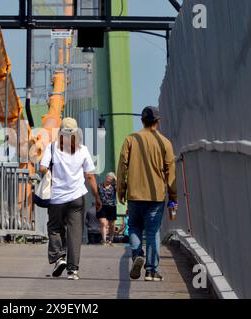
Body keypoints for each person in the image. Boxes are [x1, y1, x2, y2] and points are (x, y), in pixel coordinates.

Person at [116, 106, 178, 282]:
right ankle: (151, 271)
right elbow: (170, 173)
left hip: (135, 194)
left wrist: (121, 190)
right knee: (152, 232)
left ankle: (137, 255)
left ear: (142, 120)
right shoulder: (165, 143)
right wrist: (173, 197)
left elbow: (122, 167)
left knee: (134, 227)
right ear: (158, 121)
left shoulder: (131, 140)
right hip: (156, 196)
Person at [40, 118, 102, 280]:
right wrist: (97, 197)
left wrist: (50, 172)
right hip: (77, 198)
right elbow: (90, 176)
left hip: (56, 198)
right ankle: (72, 270)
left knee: (54, 228)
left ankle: (59, 257)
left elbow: (42, 168)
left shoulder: (52, 147)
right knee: (75, 233)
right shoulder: (83, 150)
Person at [96, 172, 117, 245]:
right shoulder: (99, 185)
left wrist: (115, 178)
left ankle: (111, 239)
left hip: (112, 206)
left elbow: (120, 186)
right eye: (108, 178)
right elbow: (96, 195)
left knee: (111, 224)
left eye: (110, 179)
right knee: (103, 223)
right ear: (106, 177)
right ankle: (104, 240)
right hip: (102, 206)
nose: (108, 180)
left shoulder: (114, 186)